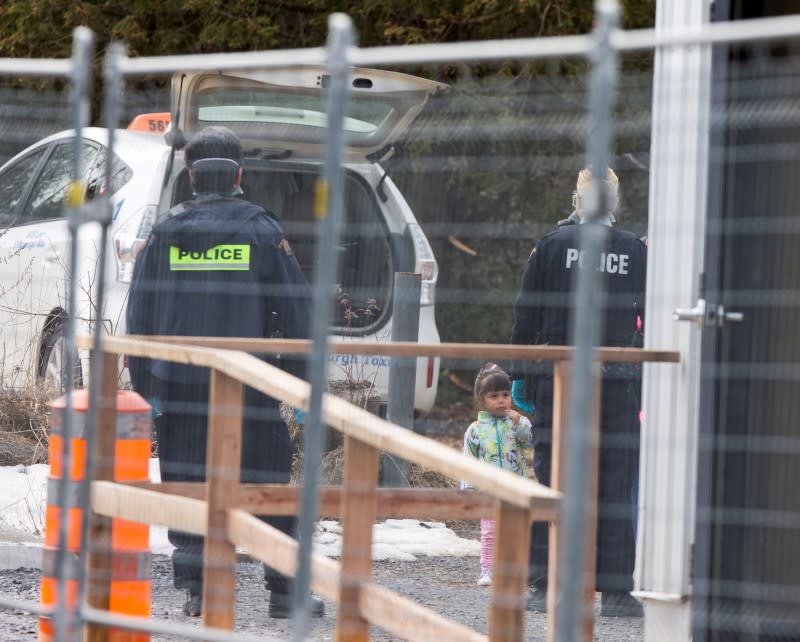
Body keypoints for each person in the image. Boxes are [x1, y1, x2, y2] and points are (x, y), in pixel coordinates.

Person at [126, 125, 324, 619]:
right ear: (240, 174)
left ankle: (198, 588)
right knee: (268, 483)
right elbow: (298, 315)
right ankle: (285, 592)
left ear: (191, 177)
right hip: (251, 386)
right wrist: (297, 386)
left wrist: (150, 392)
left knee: (190, 485)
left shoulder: (165, 233)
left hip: (180, 389)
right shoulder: (263, 230)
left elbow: (139, 318)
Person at [510, 167, 647, 618]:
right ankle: (617, 592)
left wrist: (520, 375)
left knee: (553, 481)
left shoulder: (550, 245)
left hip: (559, 380)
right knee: (615, 481)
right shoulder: (633, 249)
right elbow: (648, 315)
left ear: (576, 198)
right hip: (618, 382)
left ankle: (543, 583)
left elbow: (526, 315)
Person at [461, 363, 532, 587]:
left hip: (516, 486)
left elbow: (528, 439)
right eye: (494, 396)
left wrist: (519, 423)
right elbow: (468, 459)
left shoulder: (518, 422)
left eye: (505, 394)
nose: (501, 400)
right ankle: (487, 569)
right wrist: (468, 487)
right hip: (489, 489)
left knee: (518, 529)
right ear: (481, 400)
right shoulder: (475, 429)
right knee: (490, 531)